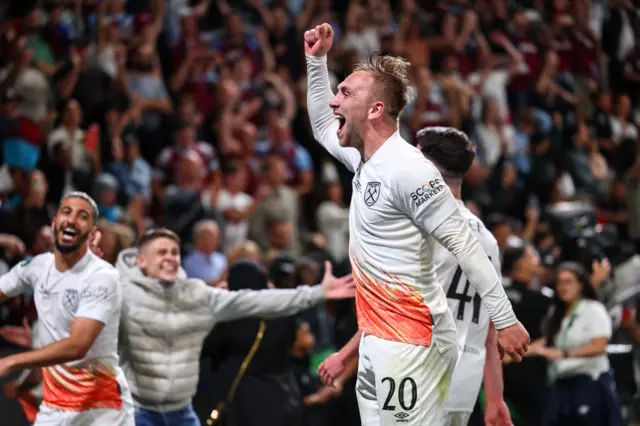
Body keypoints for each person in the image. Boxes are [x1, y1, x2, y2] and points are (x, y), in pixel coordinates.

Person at [304, 23, 529, 426]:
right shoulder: (365, 161)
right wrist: (315, 61)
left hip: (414, 341)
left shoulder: (409, 170)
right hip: (378, 334)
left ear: (375, 109)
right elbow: (321, 125)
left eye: (345, 93)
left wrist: (506, 318)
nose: (335, 101)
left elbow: (464, 244)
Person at [114, 227, 355, 426]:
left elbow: (248, 306)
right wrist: (317, 293)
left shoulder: (214, 307)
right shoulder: (131, 297)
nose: (168, 259)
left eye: (173, 253)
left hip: (211, 406)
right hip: (281, 402)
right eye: (161, 253)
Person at [0, 192, 134, 426]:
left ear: (92, 235)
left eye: (82, 216)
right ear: (54, 224)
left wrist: (11, 361)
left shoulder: (103, 277)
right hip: (56, 407)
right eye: (66, 212)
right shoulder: (38, 267)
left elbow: (76, 346)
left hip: (102, 408)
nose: (71, 219)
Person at [418, 128, 512, 426]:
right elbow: (491, 331)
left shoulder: (424, 226)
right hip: (466, 374)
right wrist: (495, 398)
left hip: (423, 364)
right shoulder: (487, 239)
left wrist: (348, 354)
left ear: (426, 166)